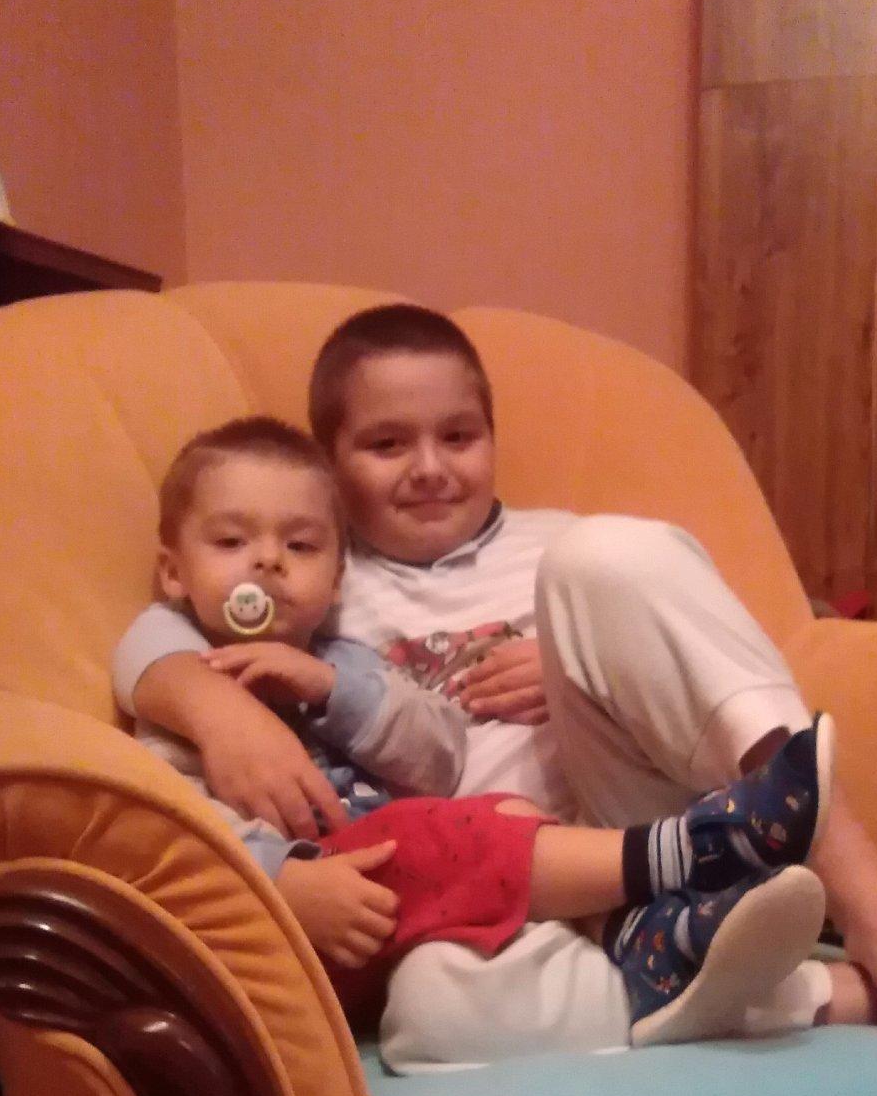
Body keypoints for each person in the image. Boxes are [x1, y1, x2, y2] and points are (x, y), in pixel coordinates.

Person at [127, 311, 877, 1065]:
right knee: (434, 1013)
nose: (429, 469)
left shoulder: (559, 543)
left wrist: (577, 663)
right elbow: (161, 638)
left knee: (610, 557)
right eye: (386, 446)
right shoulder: (316, 574)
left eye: (459, 435)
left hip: (650, 823)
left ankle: (876, 901)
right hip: (496, 908)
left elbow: (713, 660)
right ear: (328, 469)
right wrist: (218, 711)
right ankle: (837, 996)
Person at [114, 416, 833, 1050]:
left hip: (400, 929)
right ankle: (696, 850)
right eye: (232, 541)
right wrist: (281, 881)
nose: (268, 560)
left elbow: (438, 756)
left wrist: (333, 688)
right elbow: (171, 826)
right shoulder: (178, 683)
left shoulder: (344, 663)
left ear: (336, 581)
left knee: (440, 994)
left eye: (300, 546)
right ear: (173, 573)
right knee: (433, 833)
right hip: (290, 918)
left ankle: (654, 949)